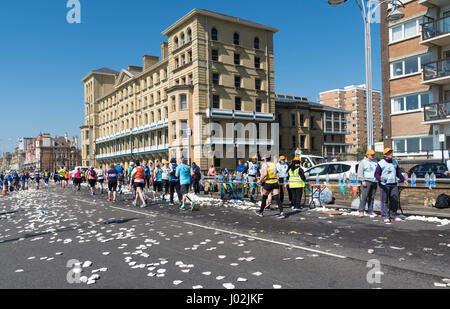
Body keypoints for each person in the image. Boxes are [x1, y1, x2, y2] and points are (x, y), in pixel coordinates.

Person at [375, 148, 408, 223]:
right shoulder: (381, 163)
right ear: (385, 154)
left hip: (394, 184)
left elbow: (398, 173)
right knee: (384, 201)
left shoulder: (394, 162)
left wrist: (404, 180)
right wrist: (380, 178)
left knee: (394, 201)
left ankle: (392, 216)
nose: (391, 154)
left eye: (391, 152)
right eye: (389, 153)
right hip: (384, 185)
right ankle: (385, 216)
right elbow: (376, 174)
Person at [257, 154, 285, 219]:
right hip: (275, 182)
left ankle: (261, 212)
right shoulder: (273, 164)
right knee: (277, 198)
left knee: (264, 197)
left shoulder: (265, 164)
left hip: (268, 182)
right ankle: (282, 213)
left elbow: (265, 174)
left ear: (265, 159)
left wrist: (260, 180)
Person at [357, 150, 379, 218]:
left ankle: (370, 211)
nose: (373, 156)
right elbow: (360, 172)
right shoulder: (363, 162)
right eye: (371, 155)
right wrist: (362, 180)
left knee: (372, 197)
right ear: (367, 155)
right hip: (366, 181)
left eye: (373, 155)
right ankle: (361, 211)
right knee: (364, 196)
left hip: (374, 181)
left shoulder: (376, 162)